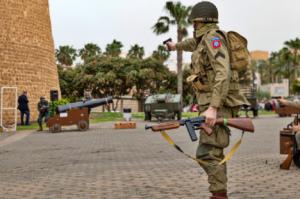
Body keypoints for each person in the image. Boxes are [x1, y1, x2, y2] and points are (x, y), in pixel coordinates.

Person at [165, 2, 249, 198]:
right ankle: (218, 193)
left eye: (194, 22)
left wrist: (213, 107)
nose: (193, 26)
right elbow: (191, 44)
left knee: (208, 152)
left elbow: (223, 73)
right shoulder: (204, 39)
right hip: (212, 104)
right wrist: (174, 46)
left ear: (201, 20)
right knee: (210, 152)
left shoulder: (213, 39)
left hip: (217, 105)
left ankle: (219, 194)